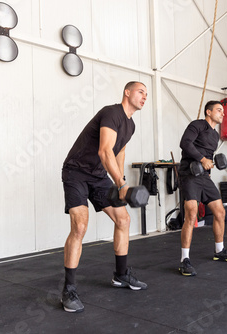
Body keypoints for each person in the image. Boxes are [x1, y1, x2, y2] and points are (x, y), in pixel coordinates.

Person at [61, 81, 148, 313]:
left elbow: (119, 152)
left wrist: (121, 181)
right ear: (127, 92)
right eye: (141, 92)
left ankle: (121, 275)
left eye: (147, 94)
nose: (145, 96)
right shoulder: (112, 113)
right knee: (80, 226)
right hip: (76, 172)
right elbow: (104, 150)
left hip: (99, 176)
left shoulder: (130, 125)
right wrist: (120, 182)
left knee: (123, 220)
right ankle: (69, 289)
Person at [178, 100, 227, 276]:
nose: (223, 113)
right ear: (208, 112)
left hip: (204, 177)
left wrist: (208, 167)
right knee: (191, 214)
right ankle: (184, 260)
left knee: (220, 212)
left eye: (223, 111)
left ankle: (219, 250)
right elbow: (185, 143)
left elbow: (209, 157)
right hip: (189, 174)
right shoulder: (197, 125)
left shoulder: (215, 135)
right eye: (219, 110)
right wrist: (202, 159)